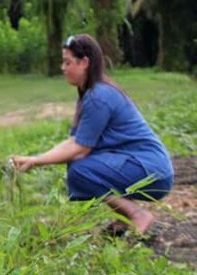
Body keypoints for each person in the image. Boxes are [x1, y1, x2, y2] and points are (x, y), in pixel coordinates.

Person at [11, 34, 174, 235]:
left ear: (85, 62)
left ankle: (138, 215)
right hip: (145, 167)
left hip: (151, 171)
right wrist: (34, 159)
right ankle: (122, 219)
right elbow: (74, 142)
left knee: (81, 169)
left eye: (67, 62)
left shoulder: (99, 97)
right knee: (81, 165)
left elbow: (79, 150)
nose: (63, 68)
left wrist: (36, 161)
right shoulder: (92, 94)